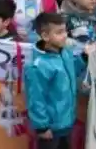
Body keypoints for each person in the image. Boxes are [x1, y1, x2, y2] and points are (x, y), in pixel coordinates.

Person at [24, 12, 88, 149]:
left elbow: (71, 70)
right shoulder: (38, 66)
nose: (64, 35)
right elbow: (36, 99)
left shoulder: (65, 52)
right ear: (45, 36)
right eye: (59, 32)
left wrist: (84, 57)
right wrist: (42, 127)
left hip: (66, 123)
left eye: (65, 31)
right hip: (50, 129)